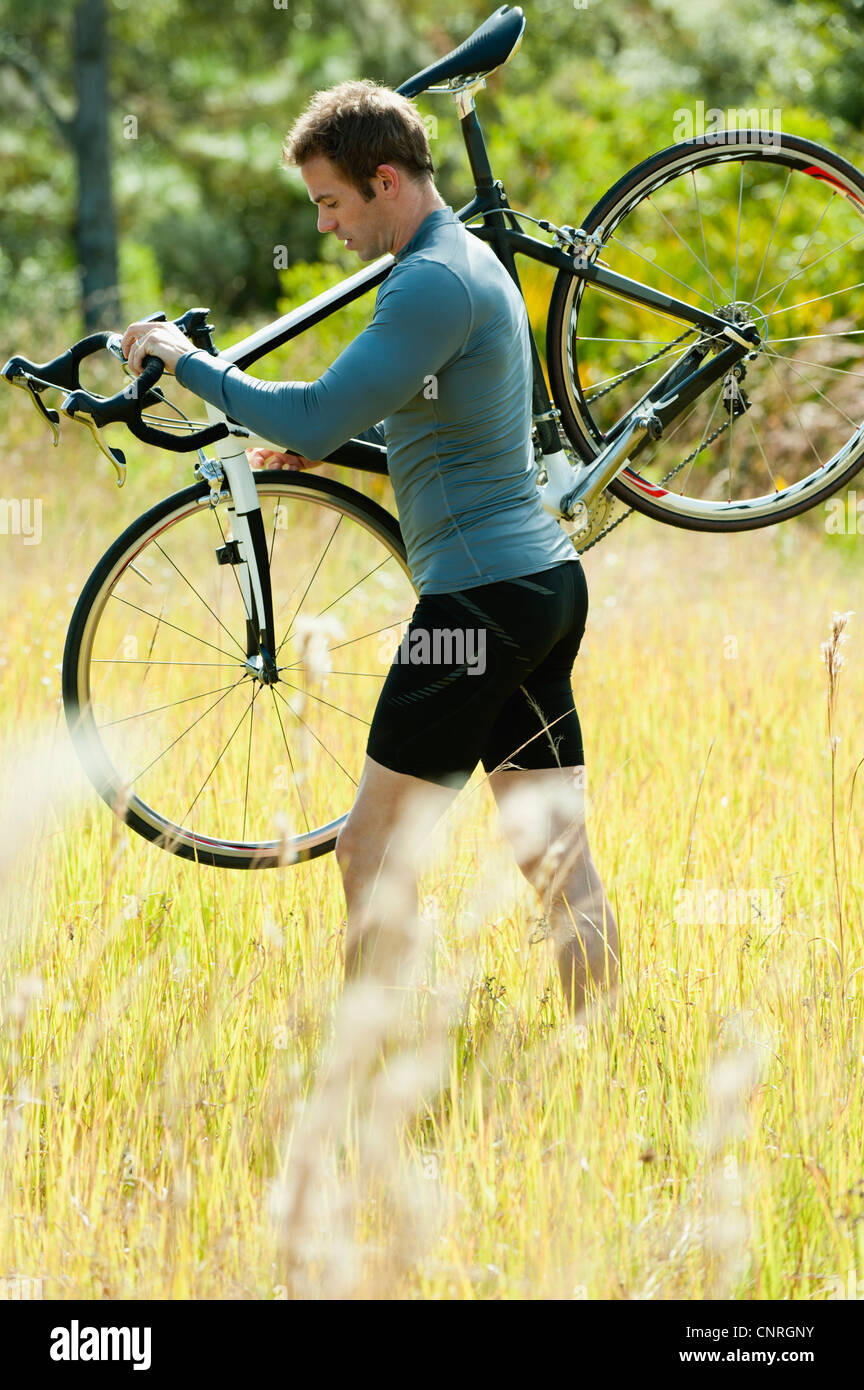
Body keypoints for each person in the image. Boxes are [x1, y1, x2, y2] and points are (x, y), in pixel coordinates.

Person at [120, 80, 618, 1018]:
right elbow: (439, 444)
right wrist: (328, 443)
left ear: (384, 179)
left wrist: (185, 362)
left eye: (331, 203)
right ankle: (603, 1056)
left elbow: (312, 405)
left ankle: (367, 1070)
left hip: (472, 610)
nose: (325, 227)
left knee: (368, 849)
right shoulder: (468, 264)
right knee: (554, 856)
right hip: (537, 590)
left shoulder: (429, 281)